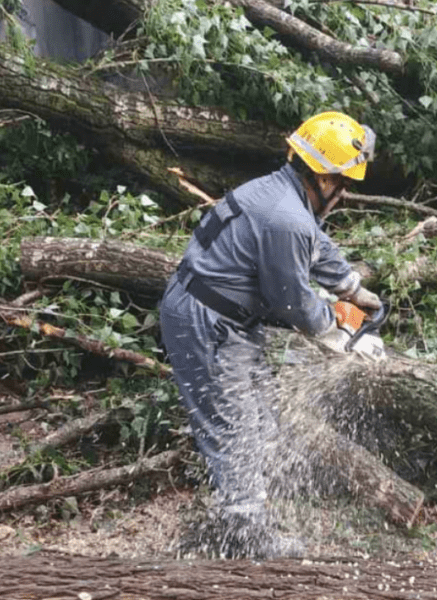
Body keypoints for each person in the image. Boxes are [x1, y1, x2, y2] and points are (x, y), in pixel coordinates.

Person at [160, 111, 381, 558]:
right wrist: (342, 338)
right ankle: (245, 535)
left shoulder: (281, 192)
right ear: (323, 176)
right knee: (237, 426)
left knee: (260, 417)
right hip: (209, 321)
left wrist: (352, 289)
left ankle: (235, 516)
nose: (345, 194)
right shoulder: (286, 218)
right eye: (344, 183)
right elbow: (294, 303)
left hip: (225, 318)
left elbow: (314, 245)